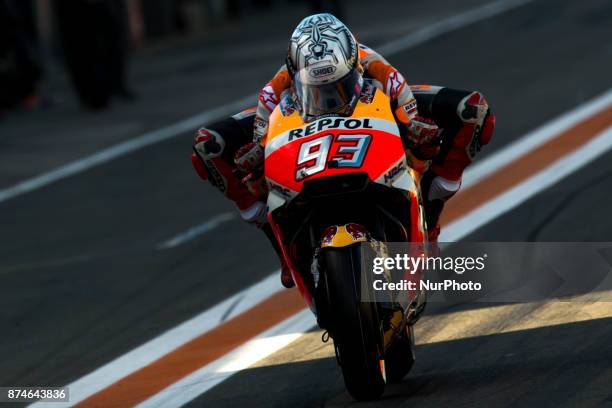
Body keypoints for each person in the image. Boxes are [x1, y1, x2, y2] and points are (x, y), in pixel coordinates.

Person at [191, 14, 495, 288]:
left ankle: (429, 217)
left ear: (354, 66)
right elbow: (260, 139)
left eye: (338, 85)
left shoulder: (380, 69)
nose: (329, 95)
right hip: (298, 115)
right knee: (208, 145)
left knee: (473, 112)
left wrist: (417, 133)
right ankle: (279, 245)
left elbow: (411, 121)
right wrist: (255, 159)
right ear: (295, 73)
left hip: (371, 102)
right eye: (319, 88)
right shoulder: (274, 90)